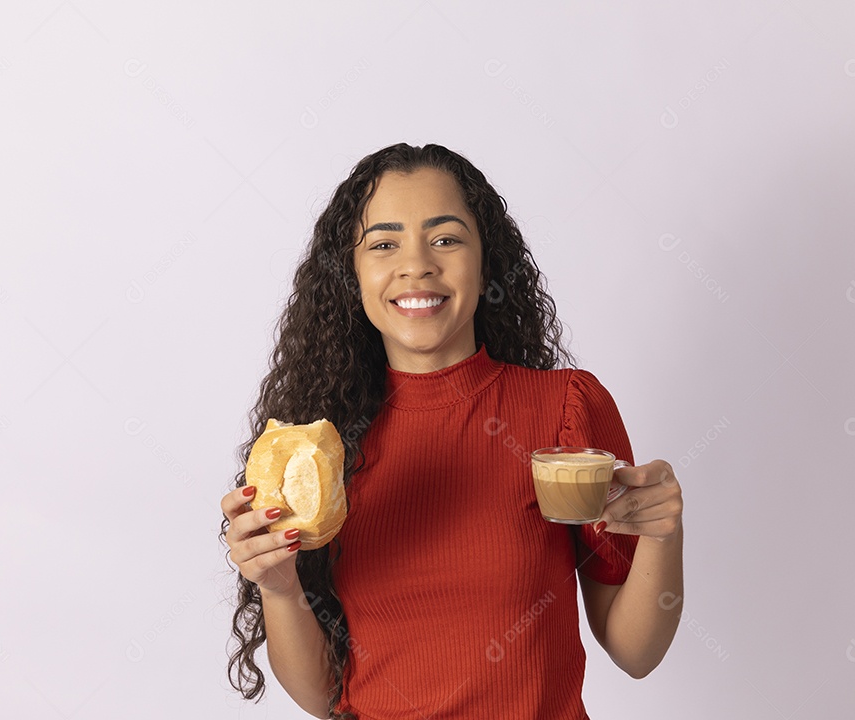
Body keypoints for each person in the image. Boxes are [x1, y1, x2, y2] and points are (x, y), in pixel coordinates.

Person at [220, 142, 684, 719]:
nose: (417, 265)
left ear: (484, 259)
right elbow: (323, 697)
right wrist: (280, 585)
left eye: (445, 238)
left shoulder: (564, 408)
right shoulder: (318, 453)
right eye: (384, 244)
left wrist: (664, 534)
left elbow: (636, 651)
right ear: (352, 273)